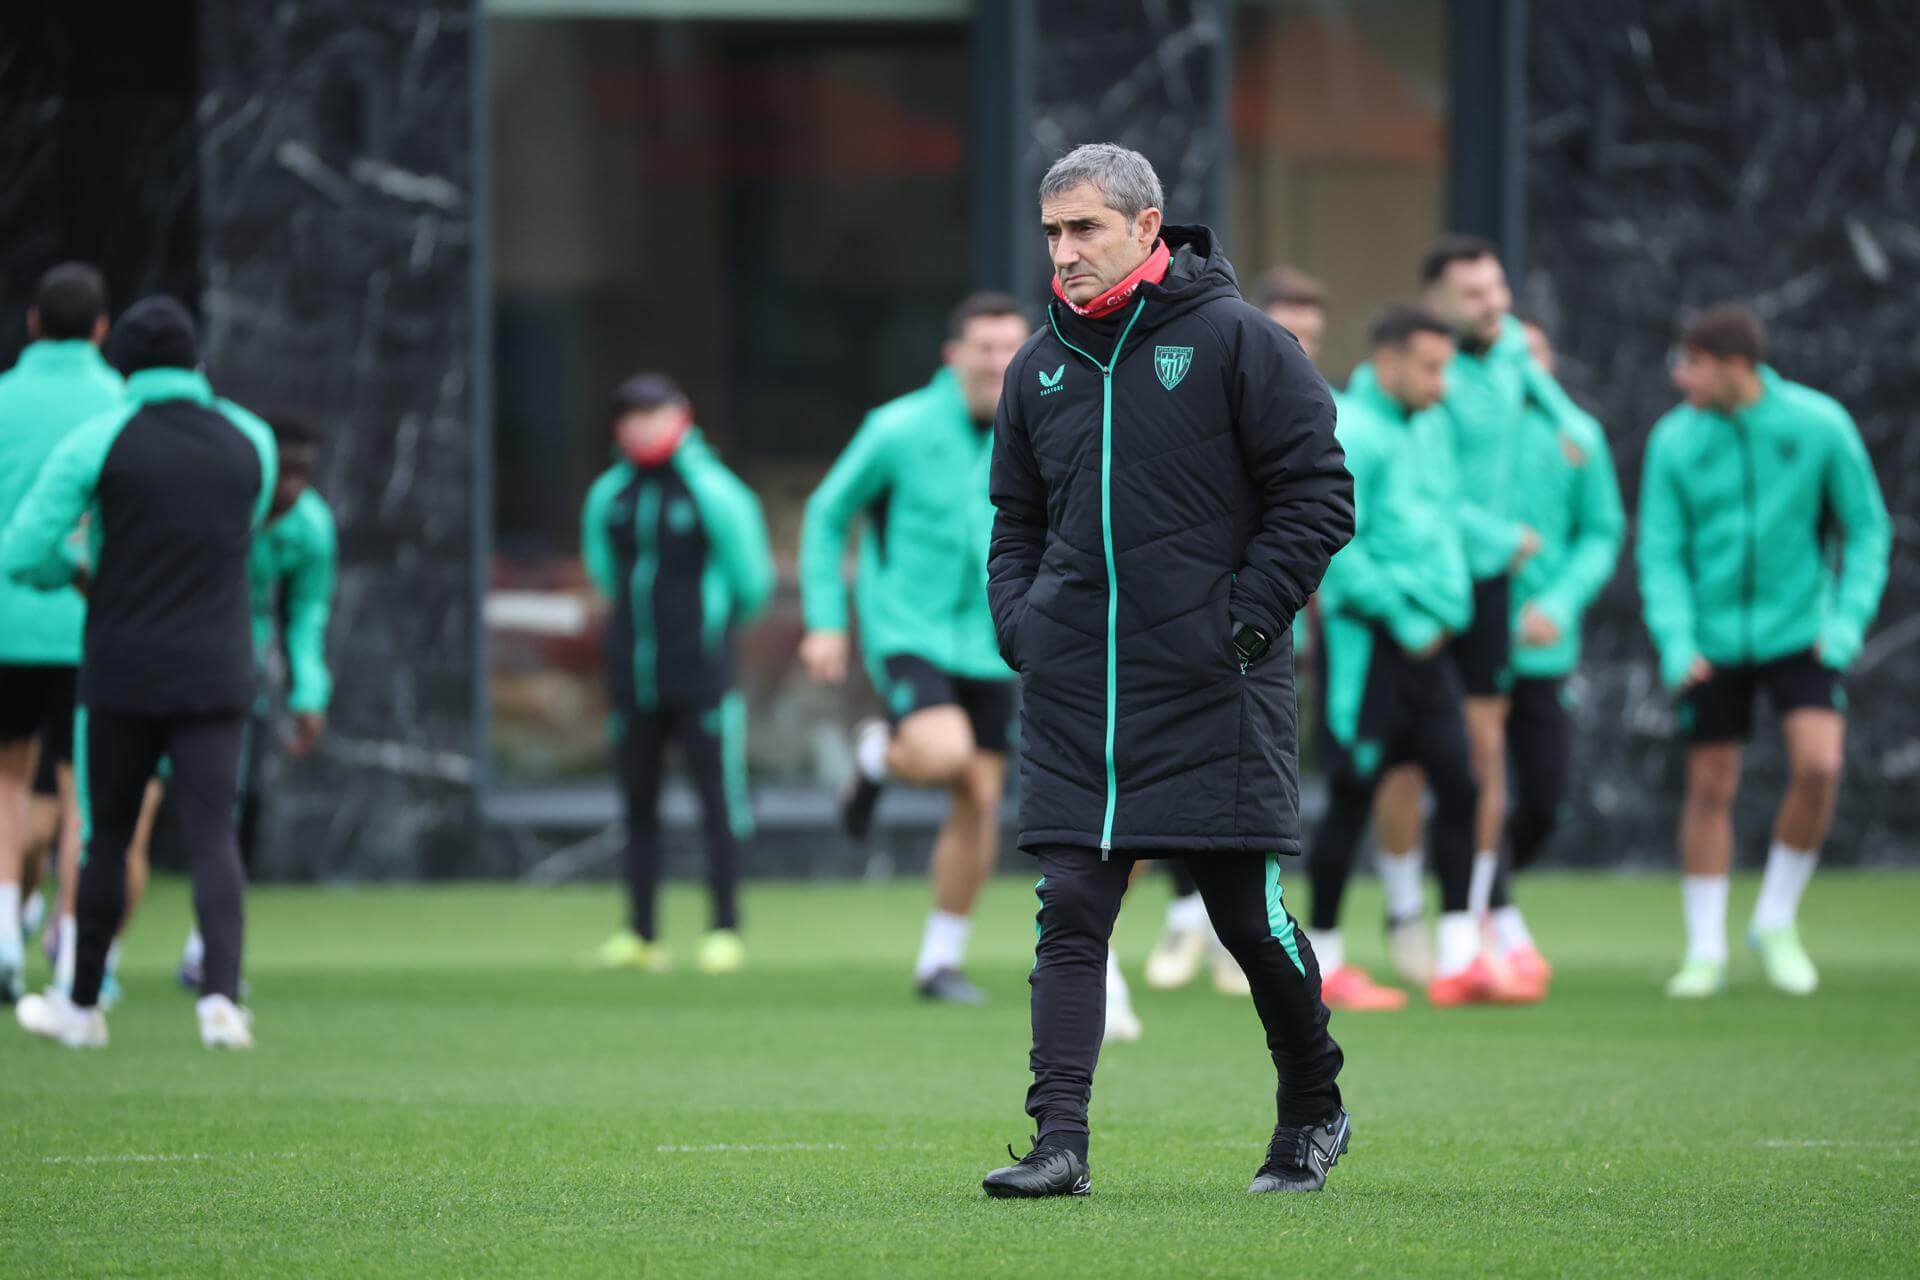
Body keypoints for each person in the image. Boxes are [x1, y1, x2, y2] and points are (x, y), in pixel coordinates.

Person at [981, 143, 1353, 1198]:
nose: (1065, 252)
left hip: (1211, 688)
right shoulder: (1037, 362)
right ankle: (1059, 1141)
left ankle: (1313, 1109)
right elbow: (1015, 518)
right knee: (1070, 910)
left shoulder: (1242, 340)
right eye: (1052, 231)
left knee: (1248, 921)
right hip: (1075, 692)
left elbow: (1320, 498)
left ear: (1148, 228)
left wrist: (1233, 631)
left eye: (1085, 227)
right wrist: (1026, 626)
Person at [4, 296, 276, 1050]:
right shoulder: (250, 438)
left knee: (107, 836)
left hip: (123, 668)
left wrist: (80, 573)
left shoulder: (100, 437)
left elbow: (23, 548)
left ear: (118, 359)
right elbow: (239, 532)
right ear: (196, 359)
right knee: (213, 834)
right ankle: (220, 998)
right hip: (219, 665)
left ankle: (81, 1005)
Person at [1638, 305, 1888, 998]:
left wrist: (1843, 628)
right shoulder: (1674, 439)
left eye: (1693, 364)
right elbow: (1660, 548)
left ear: (1737, 367)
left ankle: (1775, 920)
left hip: (1800, 633)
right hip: (1711, 642)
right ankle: (1705, 948)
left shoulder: (1819, 424)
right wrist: (1677, 639)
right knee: (1711, 782)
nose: (1681, 378)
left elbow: (1867, 532)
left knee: (1821, 765)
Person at [798, 293, 1028, 1005]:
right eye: (983, 348)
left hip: (998, 639)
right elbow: (827, 513)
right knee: (943, 753)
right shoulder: (896, 429)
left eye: (1009, 348)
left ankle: (939, 961)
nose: (997, 362)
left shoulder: (1039, 426)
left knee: (980, 801)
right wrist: (826, 620)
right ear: (953, 354)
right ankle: (877, 754)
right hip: (911, 632)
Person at [1304, 304, 1519, 1008]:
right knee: (1351, 798)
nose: (1441, 383)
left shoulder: (1430, 427)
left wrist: (1456, 600)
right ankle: (1325, 962)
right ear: (1388, 361)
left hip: (1429, 653)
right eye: (1430, 368)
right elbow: (1329, 546)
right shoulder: (1350, 431)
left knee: (1461, 785)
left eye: (1446, 368)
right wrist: (1404, 614)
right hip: (1369, 655)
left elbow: (1443, 523)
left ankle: (1460, 957)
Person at [1145, 263, 1330, 999]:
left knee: (1251, 794)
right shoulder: (1213, 393)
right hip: (1196, 635)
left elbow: (1323, 513)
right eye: (1289, 332)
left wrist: (1259, 614)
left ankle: (1228, 928)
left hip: (1283, 638)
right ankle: (1183, 915)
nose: (1298, 345)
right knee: (1156, 790)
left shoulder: (1313, 407)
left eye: (1310, 335)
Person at [1364, 237, 1544, 985]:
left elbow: (1569, 427)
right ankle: (1407, 912)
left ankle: (1477, 920)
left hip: (1479, 586)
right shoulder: (1393, 395)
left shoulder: (1510, 363)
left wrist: (1506, 542)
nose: (1492, 304)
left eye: (1497, 288)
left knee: (1482, 752)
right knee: (1401, 766)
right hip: (1413, 599)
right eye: (1473, 294)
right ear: (1435, 307)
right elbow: (1405, 507)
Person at [582, 374, 773, 976]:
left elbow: (752, 582)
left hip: (701, 675)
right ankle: (640, 933)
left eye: (653, 413)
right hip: (632, 678)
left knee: (719, 803)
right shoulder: (610, 494)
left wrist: (705, 630)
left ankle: (724, 929)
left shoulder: (713, 491)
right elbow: (604, 572)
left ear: (680, 416)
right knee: (638, 804)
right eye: (631, 416)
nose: (642, 425)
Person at [1486, 318, 1624, 986]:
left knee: (1543, 796)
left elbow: (1602, 531)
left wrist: (1560, 603)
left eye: (1534, 353)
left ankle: (1484, 888)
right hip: (1469, 636)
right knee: (1470, 785)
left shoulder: (1578, 436)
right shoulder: (1467, 430)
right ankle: (1491, 913)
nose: (1524, 369)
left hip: (1544, 645)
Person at [179, 415, 337, 988]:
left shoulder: (312, 526)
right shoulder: (219, 506)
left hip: (243, 679)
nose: (291, 486)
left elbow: (307, 613)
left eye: (304, 474)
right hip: (173, 662)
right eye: (283, 471)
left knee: (235, 806)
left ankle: (206, 949)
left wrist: (309, 691)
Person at [0, 263, 121, 1001]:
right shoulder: (116, 403)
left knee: (6, 777)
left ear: (32, 323)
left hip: (5, 622)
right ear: (102, 328)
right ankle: (78, 948)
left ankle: (4, 931)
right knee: (83, 789)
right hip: (88, 627)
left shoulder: (3, 400)